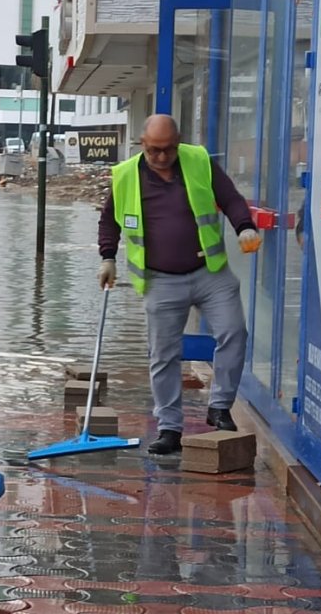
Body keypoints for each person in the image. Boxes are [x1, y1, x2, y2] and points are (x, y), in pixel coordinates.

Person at [97, 114, 261, 455]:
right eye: (154, 150)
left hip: (209, 272)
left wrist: (244, 226)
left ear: (179, 141)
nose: (161, 157)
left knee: (234, 332)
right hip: (160, 280)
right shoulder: (126, 175)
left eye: (168, 149)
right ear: (142, 144)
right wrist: (108, 257)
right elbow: (109, 219)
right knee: (163, 355)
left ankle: (219, 407)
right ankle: (169, 429)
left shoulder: (198, 160)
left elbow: (229, 197)